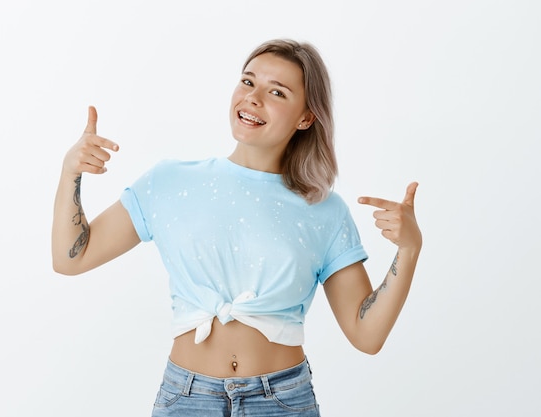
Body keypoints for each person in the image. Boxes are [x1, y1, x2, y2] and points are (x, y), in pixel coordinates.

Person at [52, 39, 422, 417]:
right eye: (248, 82)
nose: (254, 98)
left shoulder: (324, 210)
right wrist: (71, 173)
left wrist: (408, 251)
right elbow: (73, 257)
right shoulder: (169, 182)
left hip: (282, 401)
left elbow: (367, 335)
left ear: (306, 117)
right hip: (187, 399)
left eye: (277, 92)